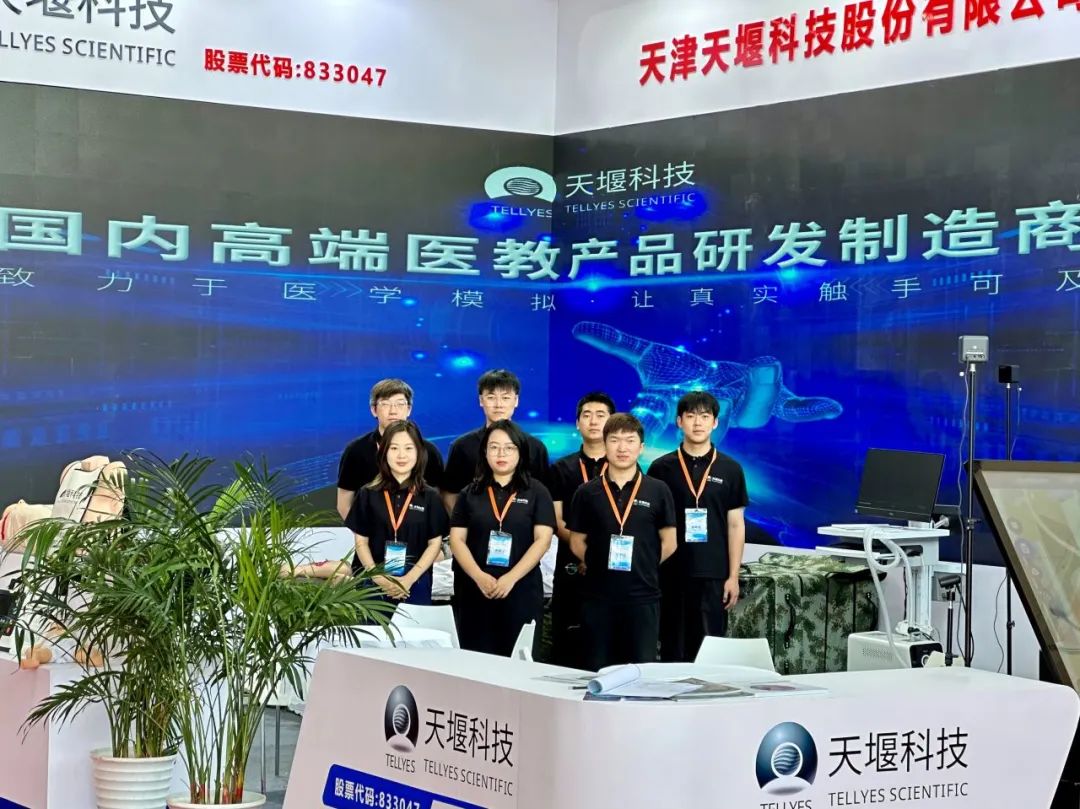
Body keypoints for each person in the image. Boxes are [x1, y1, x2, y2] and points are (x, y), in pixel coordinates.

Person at [568, 413, 676, 670]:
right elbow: (577, 541)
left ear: (641, 447)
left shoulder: (658, 490)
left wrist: (644, 565)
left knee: (640, 671)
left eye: (630, 440)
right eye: (615, 440)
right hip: (598, 596)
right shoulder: (587, 492)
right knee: (596, 670)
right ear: (605, 445)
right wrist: (596, 563)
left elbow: (670, 542)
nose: (622, 447)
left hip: (643, 597)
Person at [647, 391, 748, 663]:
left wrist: (733, 576)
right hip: (671, 573)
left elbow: (735, 525)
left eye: (705, 416)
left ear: (715, 422)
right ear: (679, 421)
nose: (697, 423)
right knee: (672, 648)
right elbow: (651, 525)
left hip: (713, 575)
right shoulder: (660, 468)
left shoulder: (731, 469)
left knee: (709, 651)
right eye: (690, 416)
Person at [448, 420, 556, 656]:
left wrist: (510, 579)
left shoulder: (537, 491)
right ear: (484, 452)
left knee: (519, 660)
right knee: (475, 660)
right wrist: (479, 577)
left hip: (521, 589)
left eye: (509, 448)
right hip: (476, 589)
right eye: (494, 447)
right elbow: (456, 539)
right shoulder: (470, 493)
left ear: (521, 452)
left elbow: (543, 540)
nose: (501, 454)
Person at [345, 420, 448, 605]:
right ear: (383, 452)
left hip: (415, 582)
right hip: (373, 582)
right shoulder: (367, 494)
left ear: (419, 452)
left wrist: (409, 579)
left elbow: (434, 544)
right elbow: (361, 542)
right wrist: (379, 579)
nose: (401, 455)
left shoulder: (430, 496)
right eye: (394, 448)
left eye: (408, 448)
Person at [548, 391, 616, 668]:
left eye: (601, 415)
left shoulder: (625, 468)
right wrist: (585, 553)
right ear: (577, 423)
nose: (593, 421)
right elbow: (556, 520)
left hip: (612, 568)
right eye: (586, 416)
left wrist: (600, 557)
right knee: (567, 645)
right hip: (570, 567)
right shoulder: (561, 468)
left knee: (609, 646)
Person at [441, 369, 550, 514]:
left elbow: (544, 498)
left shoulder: (535, 447)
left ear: (516, 401)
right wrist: (463, 522)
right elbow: (449, 493)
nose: (498, 404)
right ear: (481, 400)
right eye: (491, 397)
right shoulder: (462, 446)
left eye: (505, 398)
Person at [336, 378, 446, 521]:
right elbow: (344, 503)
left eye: (400, 404)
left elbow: (440, 499)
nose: (393, 411)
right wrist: (361, 532)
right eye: (385, 404)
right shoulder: (356, 451)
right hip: (370, 532)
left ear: (409, 409)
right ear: (374, 410)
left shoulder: (428, 451)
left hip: (419, 532)